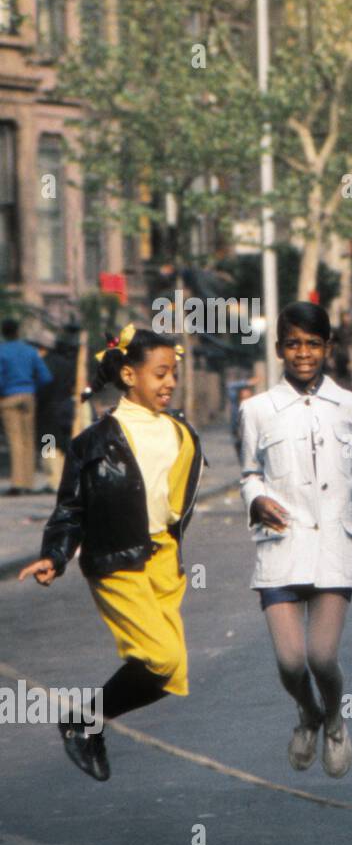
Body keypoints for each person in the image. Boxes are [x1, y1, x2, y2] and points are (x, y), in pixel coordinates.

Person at [19, 326, 202, 781]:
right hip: (117, 560)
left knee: (171, 674)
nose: (170, 383)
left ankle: (88, 724)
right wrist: (55, 555)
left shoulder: (182, 432)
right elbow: (71, 508)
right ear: (128, 373)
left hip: (163, 561)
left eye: (173, 374)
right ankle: (83, 723)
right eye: (160, 373)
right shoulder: (94, 442)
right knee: (162, 658)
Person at [239, 302, 352, 779]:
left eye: (313, 343)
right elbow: (249, 472)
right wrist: (256, 499)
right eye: (293, 344)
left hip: (334, 546)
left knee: (322, 656)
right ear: (280, 348)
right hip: (282, 542)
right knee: (290, 661)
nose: (303, 353)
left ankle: (336, 720)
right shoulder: (256, 409)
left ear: (328, 347)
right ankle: (309, 714)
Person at [1, 318, 53, 495]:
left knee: (15, 440)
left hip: (9, 397)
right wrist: (32, 388)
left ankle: (17, 483)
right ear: (18, 332)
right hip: (29, 395)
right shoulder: (30, 351)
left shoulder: (2, 351)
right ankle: (28, 482)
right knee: (28, 440)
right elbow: (46, 377)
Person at [32, 329, 76, 493]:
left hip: (47, 409)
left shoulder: (43, 363)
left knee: (47, 445)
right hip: (65, 407)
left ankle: (53, 479)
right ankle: (61, 479)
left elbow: (42, 386)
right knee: (61, 445)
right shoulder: (65, 363)